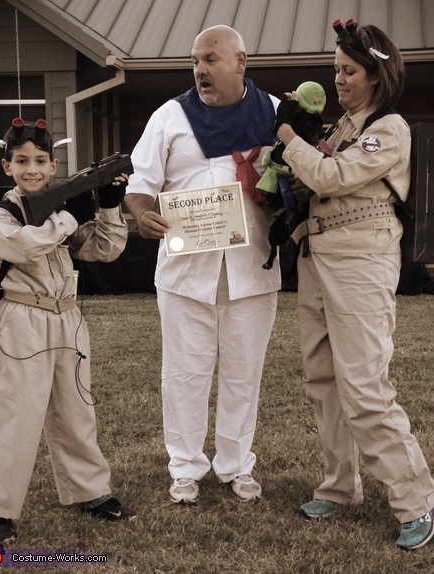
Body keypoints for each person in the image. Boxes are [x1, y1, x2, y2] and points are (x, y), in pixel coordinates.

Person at [275, 20, 434, 550]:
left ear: (375, 73)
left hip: (360, 262)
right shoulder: (342, 128)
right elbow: (312, 177)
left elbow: (330, 178)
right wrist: (302, 153)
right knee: (322, 380)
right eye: (335, 70)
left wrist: (286, 138)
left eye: (348, 71)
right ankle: (340, 485)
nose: (338, 80)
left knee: (366, 388)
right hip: (318, 256)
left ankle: (418, 498)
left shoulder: (389, 128)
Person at [125, 25, 281, 504]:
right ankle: (186, 467)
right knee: (184, 374)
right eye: (195, 61)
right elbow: (140, 183)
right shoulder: (169, 116)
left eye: (210, 59)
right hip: (184, 273)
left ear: (241, 62)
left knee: (243, 373)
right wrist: (141, 215)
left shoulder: (276, 113)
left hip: (251, 268)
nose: (200, 70)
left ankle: (237, 466)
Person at [0, 118, 136, 543]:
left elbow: (105, 248)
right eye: (22, 160)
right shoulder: (1, 215)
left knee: (76, 410)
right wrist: (69, 214)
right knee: (15, 416)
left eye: (41, 161)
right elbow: (23, 245)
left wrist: (107, 203)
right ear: (7, 166)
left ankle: (90, 491)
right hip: (21, 319)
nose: (32, 169)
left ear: (54, 165)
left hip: (67, 318)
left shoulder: (56, 211)